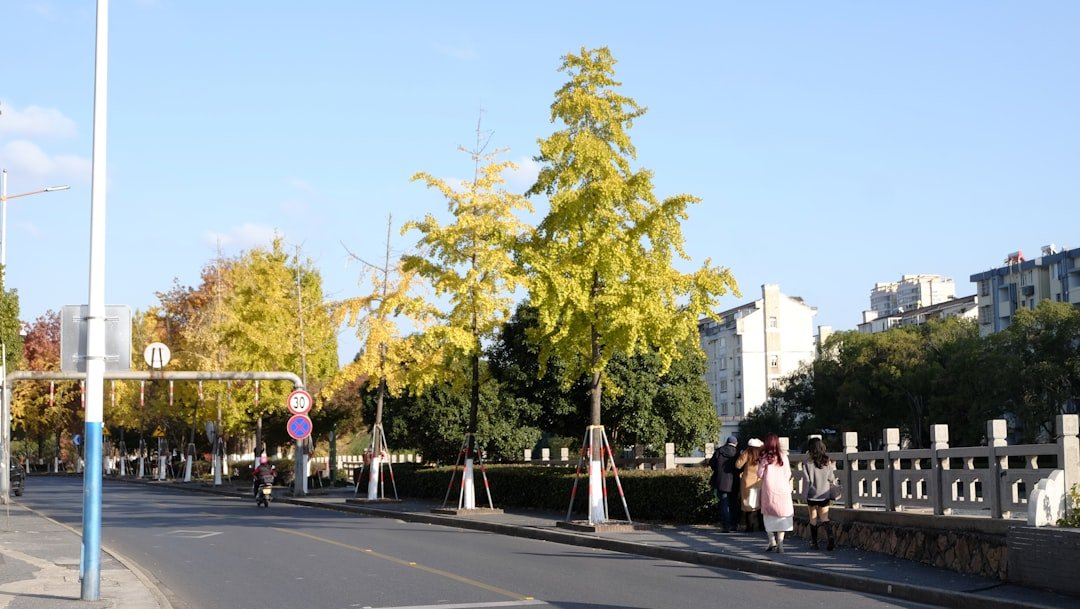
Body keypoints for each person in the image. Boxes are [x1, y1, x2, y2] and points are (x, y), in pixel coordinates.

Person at [757, 433, 794, 553]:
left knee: (768, 516)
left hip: (769, 490)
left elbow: (760, 474)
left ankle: (772, 540)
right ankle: (781, 544)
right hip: (783, 489)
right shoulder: (783, 456)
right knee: (781, 516)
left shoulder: (764, 457)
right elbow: (788, 473)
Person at [801, 437, 838, 550]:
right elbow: (831, 478)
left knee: (813, 518)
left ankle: (814, 543)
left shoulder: (807, 463)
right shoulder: (827, 461)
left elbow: (807, 480)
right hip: (824, 495)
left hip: (812, 495)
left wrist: (804, 494)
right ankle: (830, 538)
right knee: (825, 518)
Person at [708, 436, 739, 532]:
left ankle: (726, 526)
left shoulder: (719, 451)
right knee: (734, 504)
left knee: (724, 504)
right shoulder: (737, 453)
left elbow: (712, 463)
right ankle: (734, 525)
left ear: (726, 442)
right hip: (734, 482)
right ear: (735, 443)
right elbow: (740, 466)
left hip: (721, 481)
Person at [735, 437, 764, 532]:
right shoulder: (763, 454)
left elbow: (738, 465)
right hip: (760, 481)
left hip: (747, 481)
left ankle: (750, 527)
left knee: (748, 504)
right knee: (760, 503)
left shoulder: (747, 452)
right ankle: (762, 526)